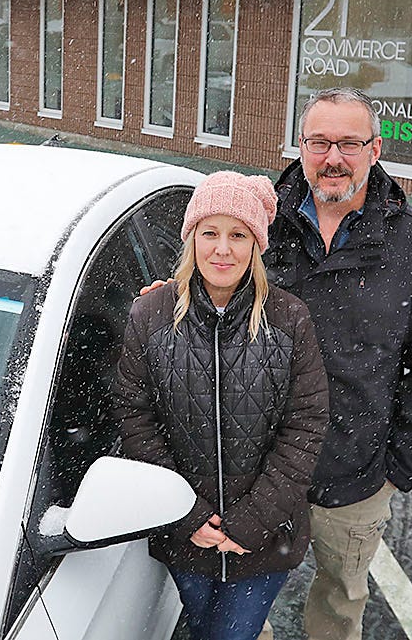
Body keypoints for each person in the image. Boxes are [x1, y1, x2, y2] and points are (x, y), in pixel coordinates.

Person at [145, 87, 412, 640]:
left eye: (349, 143)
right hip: (254, 471)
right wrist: (166, 296)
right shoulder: (259, 226)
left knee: (340, 603)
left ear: (376, 148)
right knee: (242, 603)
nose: (333, 157)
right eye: (319, 142)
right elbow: (207, 276)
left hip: (354, 474)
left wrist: (397, 468)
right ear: (300, 146)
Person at [115, 171, 328, 640]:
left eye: (238, 235)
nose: (222, 250)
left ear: (256, 245)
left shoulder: (288, 318)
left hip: (265, 539)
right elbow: (136, 419)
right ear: (190, 238)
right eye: (209, 233)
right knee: (201, 626)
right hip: (186, 535)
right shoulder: (150, 315)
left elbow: (305, 427)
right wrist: (188, 515)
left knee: (233, 634)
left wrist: (251, 521)